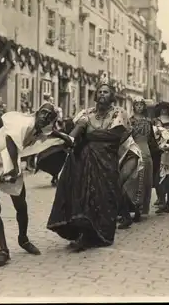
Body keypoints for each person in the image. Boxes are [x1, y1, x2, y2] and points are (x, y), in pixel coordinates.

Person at [0, 103, 60, 267]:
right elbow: (10, 141)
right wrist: (13, 171)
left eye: (49, 116)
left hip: (8, 161)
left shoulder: (42, 126)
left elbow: (52, 132)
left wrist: (66, 138)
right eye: (43, 113)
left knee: (21, 205)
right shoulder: (24, 123)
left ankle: (23, 239)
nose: (45, 117)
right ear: (36, 113)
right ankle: (3, 250)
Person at [46, 82, 130, 252]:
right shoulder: (85, 114)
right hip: (84, 161)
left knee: (104, 196)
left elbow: (119, 136)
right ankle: (83, 234)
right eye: (99, 92)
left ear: (112, 96)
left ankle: (101, 233)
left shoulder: (119, 113)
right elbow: (72, 137)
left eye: (106, 92)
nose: (102, 94)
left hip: (106, 162)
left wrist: (93, 134)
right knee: (84, 196)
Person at [128, 98, 155, 218]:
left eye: (141, 105)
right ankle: (130, 205)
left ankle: (140, 207)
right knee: (131, 179)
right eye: (137, 105)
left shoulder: (149, 122)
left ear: (144, 107)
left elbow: (151, 139)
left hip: (146, 151)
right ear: (134, 106)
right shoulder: (130, 121)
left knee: (145, 181)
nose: (139, 107)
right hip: (133, 150)